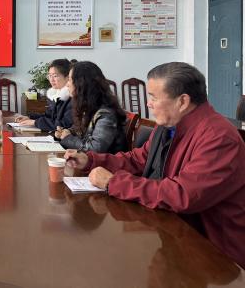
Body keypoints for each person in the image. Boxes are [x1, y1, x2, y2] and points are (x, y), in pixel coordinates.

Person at [65, 62, 245, 269]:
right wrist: (91, 160)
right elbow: (138, 160)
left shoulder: (218, 137)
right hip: (175, 234)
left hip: (215, 254)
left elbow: (183, 195)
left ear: (182, 101)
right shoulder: (169, 125)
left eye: (153, 97)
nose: (148, 104)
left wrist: (114, 182)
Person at [55, 61, 126, 153]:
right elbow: (80, 131)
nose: (67, 84)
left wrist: (67, 138)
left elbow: (95, 149)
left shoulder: (106, 114)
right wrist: (67, 132)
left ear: (82, 84)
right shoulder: (90, 106)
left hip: (104, 162)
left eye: (70, 80)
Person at [15, 58, 73, 131]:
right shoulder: (55, 95)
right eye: (50, 76)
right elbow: (48, 116)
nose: (51, 80)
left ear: (67, 77)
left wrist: (35, 122)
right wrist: (30, 118)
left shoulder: (73, 98)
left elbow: (64, 125)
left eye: (55, 76)